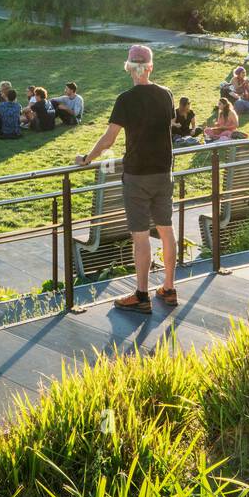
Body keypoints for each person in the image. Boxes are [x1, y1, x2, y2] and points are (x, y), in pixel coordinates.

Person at [76, 44, 176, 316]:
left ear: (129, 67)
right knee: (166, 231)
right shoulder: (166, 95)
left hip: (137, 175)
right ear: (151, 67)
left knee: (141, 235)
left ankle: (141, 295)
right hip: (163, 172)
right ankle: (168, 288)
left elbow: (109, 139)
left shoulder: (125, 99)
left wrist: (87, 158)